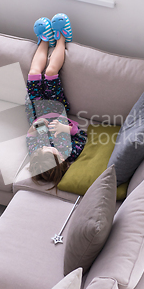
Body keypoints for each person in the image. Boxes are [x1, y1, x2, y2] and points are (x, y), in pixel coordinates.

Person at [25, 14, 87, 188]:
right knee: (51, 73)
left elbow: (30, 137)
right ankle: (61, 39)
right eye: (49, 150)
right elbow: (82, 137)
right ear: (60, 159)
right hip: (55, 107)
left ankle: (44, 41)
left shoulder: (36, 153)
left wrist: (36, 127)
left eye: (41, 149)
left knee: (33, 74)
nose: (45, 146)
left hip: (36, 110)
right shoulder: (69, 153)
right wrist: (65, 129)